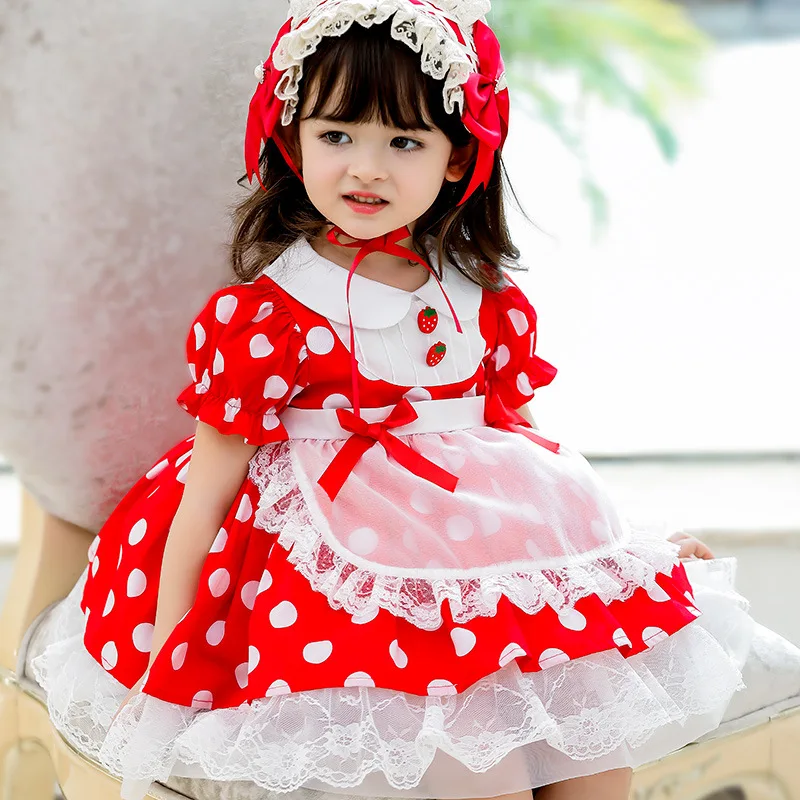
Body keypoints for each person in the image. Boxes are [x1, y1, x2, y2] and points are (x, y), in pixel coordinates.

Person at [32, 2, 754, 800]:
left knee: (595, 763)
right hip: (344, 575)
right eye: (337, 135)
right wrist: (167, 663)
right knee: (487, 775)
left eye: (403, 141)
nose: (366, 168)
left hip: (486, 564)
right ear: (294, 139)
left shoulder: (481, 294)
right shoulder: (270, 317)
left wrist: (627, 553)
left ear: (456, 156)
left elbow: (526, 451)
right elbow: (206, 495)